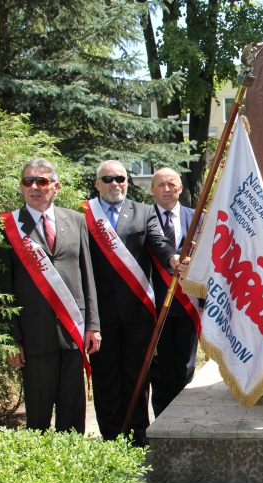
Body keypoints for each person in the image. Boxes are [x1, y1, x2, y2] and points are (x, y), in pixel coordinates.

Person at [0, 158, 101, 433]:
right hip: (34, 334)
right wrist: (11, 340)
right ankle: (41, 468)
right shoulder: (8, 227)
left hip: (72, 330)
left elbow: (87, 275)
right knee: (39, 414)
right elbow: (4, 289)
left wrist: (93, 325)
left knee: (73, 410)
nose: (34, 187)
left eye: (41, 181)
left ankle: (71, 465)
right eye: (27, 181)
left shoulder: (76, 220)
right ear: (21, 188)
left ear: (56, 187)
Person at [83, 160, 183, 445]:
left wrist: (172, 258)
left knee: (137, 377)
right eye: (108, 179)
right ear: (97, 184)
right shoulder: (85, 215)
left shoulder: (143, 212)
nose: (115, 184)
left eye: (120, 179)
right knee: (106, 378)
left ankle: (139, 435)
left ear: (127, 182)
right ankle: (111, 437)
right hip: (101, 316)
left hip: (137, 313)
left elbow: (159, 242)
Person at [148, 167, 202, 417]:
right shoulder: (143, 218)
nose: (166, 189)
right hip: (154, 308)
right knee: (159, 373)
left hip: (188, 308)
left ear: (180, 188)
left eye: (172, 184)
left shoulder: (198, 217)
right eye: (161, 185)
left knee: (185, 368)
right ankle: (161, 424)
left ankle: (184, 422)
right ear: (152, 190)